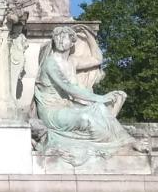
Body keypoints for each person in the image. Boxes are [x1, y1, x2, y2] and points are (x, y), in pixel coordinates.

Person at [33, 27, 140, 168]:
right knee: (86, 118)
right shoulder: (50, 63)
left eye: (63, 37)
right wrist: (101, 97)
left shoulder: (72, 62)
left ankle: (126, 140)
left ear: (72, 43)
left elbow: (97, 59)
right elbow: (69, 88)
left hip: (67, 108)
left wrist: (89, 35)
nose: (59, 40)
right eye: (57, 37)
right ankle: (113, 145)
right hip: (52, 112)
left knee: (100, 109)